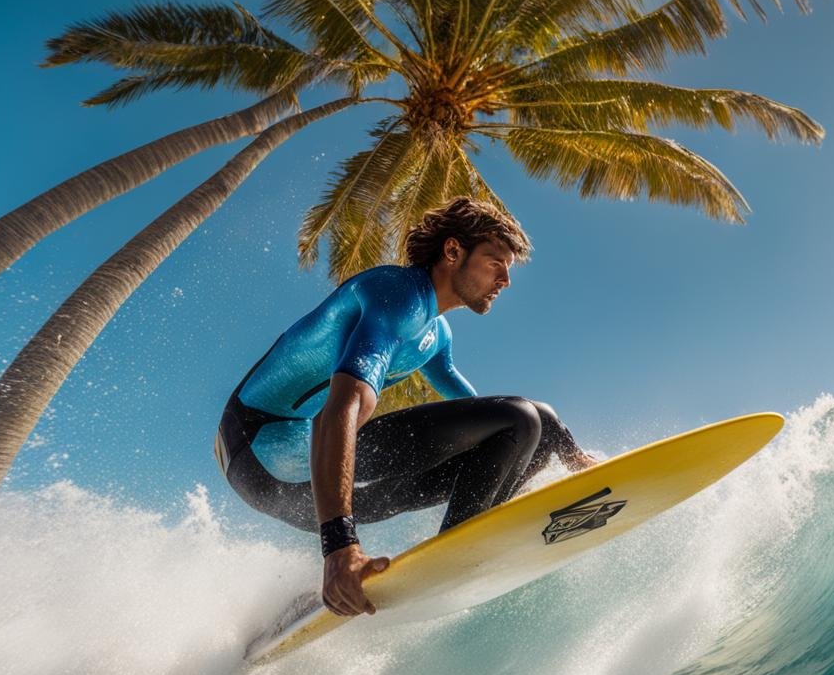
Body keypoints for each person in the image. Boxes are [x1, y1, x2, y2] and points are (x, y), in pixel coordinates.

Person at [214, 197, 596, 618]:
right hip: (263, 450)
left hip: (306, 480)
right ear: (453, 252)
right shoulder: (399, 296)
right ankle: (448, 558)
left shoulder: (436, 332)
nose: (505, 278)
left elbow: (480, 412)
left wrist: (567, 450)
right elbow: (339, 409)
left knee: (531, 431)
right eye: (494, 262)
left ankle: (314, 603)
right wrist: (339, 547)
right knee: (520, 419)